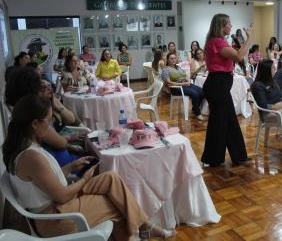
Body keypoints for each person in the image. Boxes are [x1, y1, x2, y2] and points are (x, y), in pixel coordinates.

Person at [2, 94, 176, 240]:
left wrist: (70, 167)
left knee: (111, 178)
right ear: (34, 124)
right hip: (55, 218)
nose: (50, 128)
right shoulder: (31, 156)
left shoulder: (23, 147)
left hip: (54, 204)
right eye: (48, 123)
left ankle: (143, 228)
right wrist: (84, 179)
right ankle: (141, 229)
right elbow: (62, 196)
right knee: (117, 204)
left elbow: (42, 182)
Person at [5, 68, 85, 166]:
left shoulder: (20, 115)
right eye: (40, 87)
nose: (47, 89)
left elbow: (71, 120)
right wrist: (70, 144)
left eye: (48, 86)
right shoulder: (35, 115)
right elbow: (61, 143)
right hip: (65, 164)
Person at [201, 13, 252, 167]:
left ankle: (238, 156)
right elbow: (237, 57)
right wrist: (249, 38)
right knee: (220, 122)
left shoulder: (217, 41)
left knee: (229, 121)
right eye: (229, 23)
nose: (231, 26)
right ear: (221, 26)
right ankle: (214, 159)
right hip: (217, 85)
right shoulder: (217, 42)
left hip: (219, 85)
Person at [161, 52, 205, 120]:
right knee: (195, 94)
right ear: (168, 60)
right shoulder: (165, 69)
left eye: (174, 58)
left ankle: (194, 108)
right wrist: (183, 84)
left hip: (185, 85)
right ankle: (197, 113)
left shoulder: (178, 67)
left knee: (202, 92)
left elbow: (184, 76)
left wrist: (188, 80)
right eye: (171, 58)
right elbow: (169, 83)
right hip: (176, 88)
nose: (173, 60)